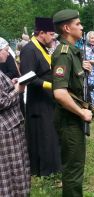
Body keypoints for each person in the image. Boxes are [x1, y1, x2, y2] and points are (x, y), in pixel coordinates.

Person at [52, 9, 93, 196]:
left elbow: (71, 85)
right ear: (67, 28)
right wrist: (82, 112)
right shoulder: (63, 53)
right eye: (78, 24)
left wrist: (84, 70)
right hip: (69, 119)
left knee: (76, 166)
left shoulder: (73, 53)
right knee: (73, 169)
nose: (82, 27)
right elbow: (60, 93)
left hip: (73, 117)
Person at [20, 17, 61, 176]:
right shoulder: (29, 50)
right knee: (43, 133)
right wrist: (50, 85)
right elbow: (28, 77)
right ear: (41, 33)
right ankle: (43, 169)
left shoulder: (42, 47)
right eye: (51, 34)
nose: (53, 38)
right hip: (37, 101)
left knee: (50, 132)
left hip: (47, 98)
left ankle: (52, 165)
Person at [0, 39, 30, 196]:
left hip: (10, 125)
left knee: (15, 164)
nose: (7, 53)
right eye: (5, 50)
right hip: (5, 129)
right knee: (10, 167)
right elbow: (1, 101)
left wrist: (11, 84)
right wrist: (17, 90)